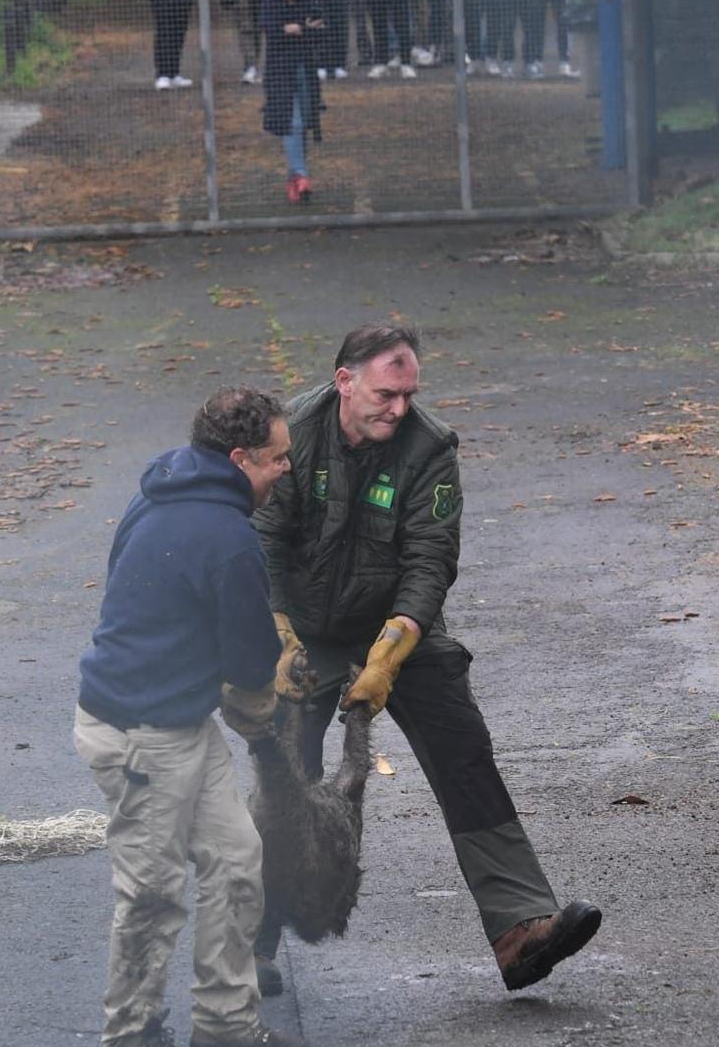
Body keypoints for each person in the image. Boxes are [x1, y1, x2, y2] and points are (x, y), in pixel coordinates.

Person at [252, 323, 603, 994]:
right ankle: (252, 942)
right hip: (301, 630)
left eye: (411, 393)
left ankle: (520, 928)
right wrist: (276, 636)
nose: (401, 408)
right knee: (284, 772)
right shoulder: (292, 433)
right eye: (387, 392)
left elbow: (430, 559)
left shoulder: (429, 448)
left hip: (394, 625)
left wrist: (393, 649)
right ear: (344, 380)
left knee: (462, 745)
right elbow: (262, 541)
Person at [75, 387, 307, 1047]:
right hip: (141, 734)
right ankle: (130, 1040)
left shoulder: (163, 486)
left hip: (179, 719)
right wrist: (269, 704)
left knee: (237, 857)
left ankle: (226, 1017)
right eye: (277, 459)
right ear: (237, 459)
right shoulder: (231, 538)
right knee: (152, 892)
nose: (286, 471)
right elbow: (245, 665)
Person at [260, 0, 325, 203]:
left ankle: (294, 179)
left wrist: (297, 29)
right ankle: (301, 174)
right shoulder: (270, 3)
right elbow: (272, 32)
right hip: (281, 74)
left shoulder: (309, 1)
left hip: (305, 70)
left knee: (304, 123)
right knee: (293, 122)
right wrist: (293, 29)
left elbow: (319, 31)